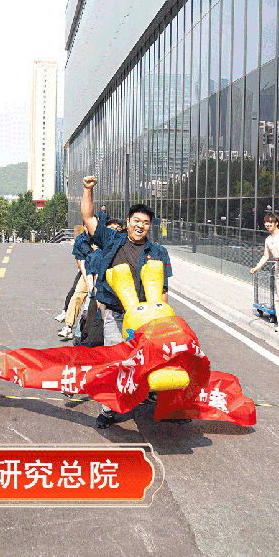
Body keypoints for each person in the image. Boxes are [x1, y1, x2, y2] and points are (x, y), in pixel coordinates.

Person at [81, 176, 173, 429]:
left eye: (146, 222)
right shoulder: (112, 239)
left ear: (150, 226)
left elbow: (163, 289)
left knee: (151, 360)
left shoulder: (158, 252)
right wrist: (88, 190)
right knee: (115, 362)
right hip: (116, 314)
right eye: (136, 221)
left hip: (146, 318)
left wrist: (164, 321)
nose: (140, 226)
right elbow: (88, 218)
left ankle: (157, 400)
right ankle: (109, 410)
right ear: (129, 222)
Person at [250, 213, 279, 334]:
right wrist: (257, 268)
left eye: (271, 222)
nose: (268, 224)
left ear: (277, 223)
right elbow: (266, 256)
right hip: (278, 266)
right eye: (266, 222)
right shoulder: (268, 239)